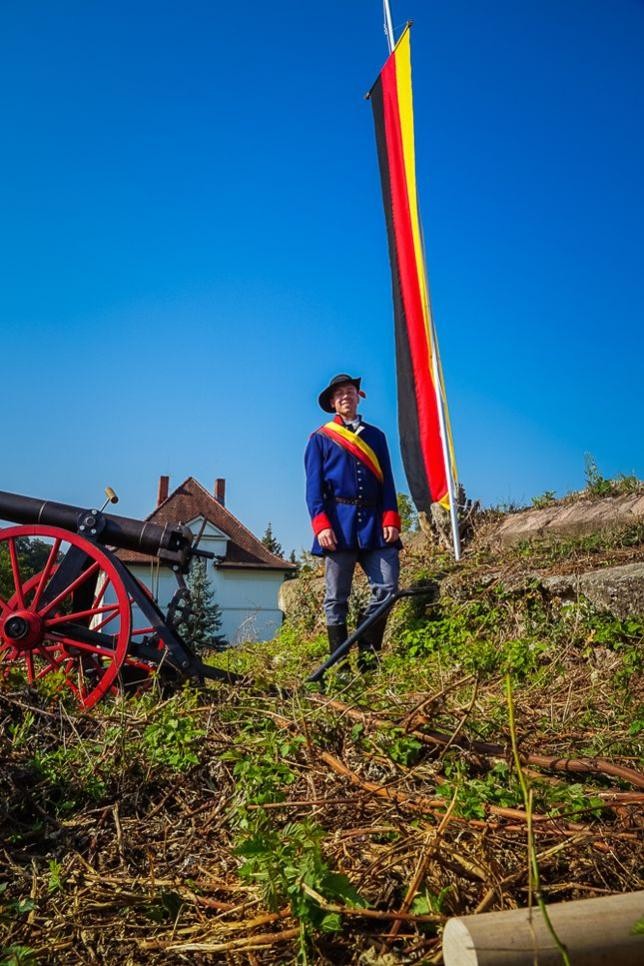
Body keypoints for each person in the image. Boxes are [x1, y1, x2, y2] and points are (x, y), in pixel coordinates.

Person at [305, 373, 401, 670]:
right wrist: (321, 525)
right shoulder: (320, 439)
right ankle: (340, 664)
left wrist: (391, 517)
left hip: (375, 523)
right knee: (336, 598)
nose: (345, 395)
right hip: (338, 526)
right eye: (339, 393)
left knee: (388, 588)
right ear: (333, 403)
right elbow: (313, 487)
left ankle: (367, 655)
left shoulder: (377, 437)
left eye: (350, 390)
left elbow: (387, 481)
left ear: (358, 396)